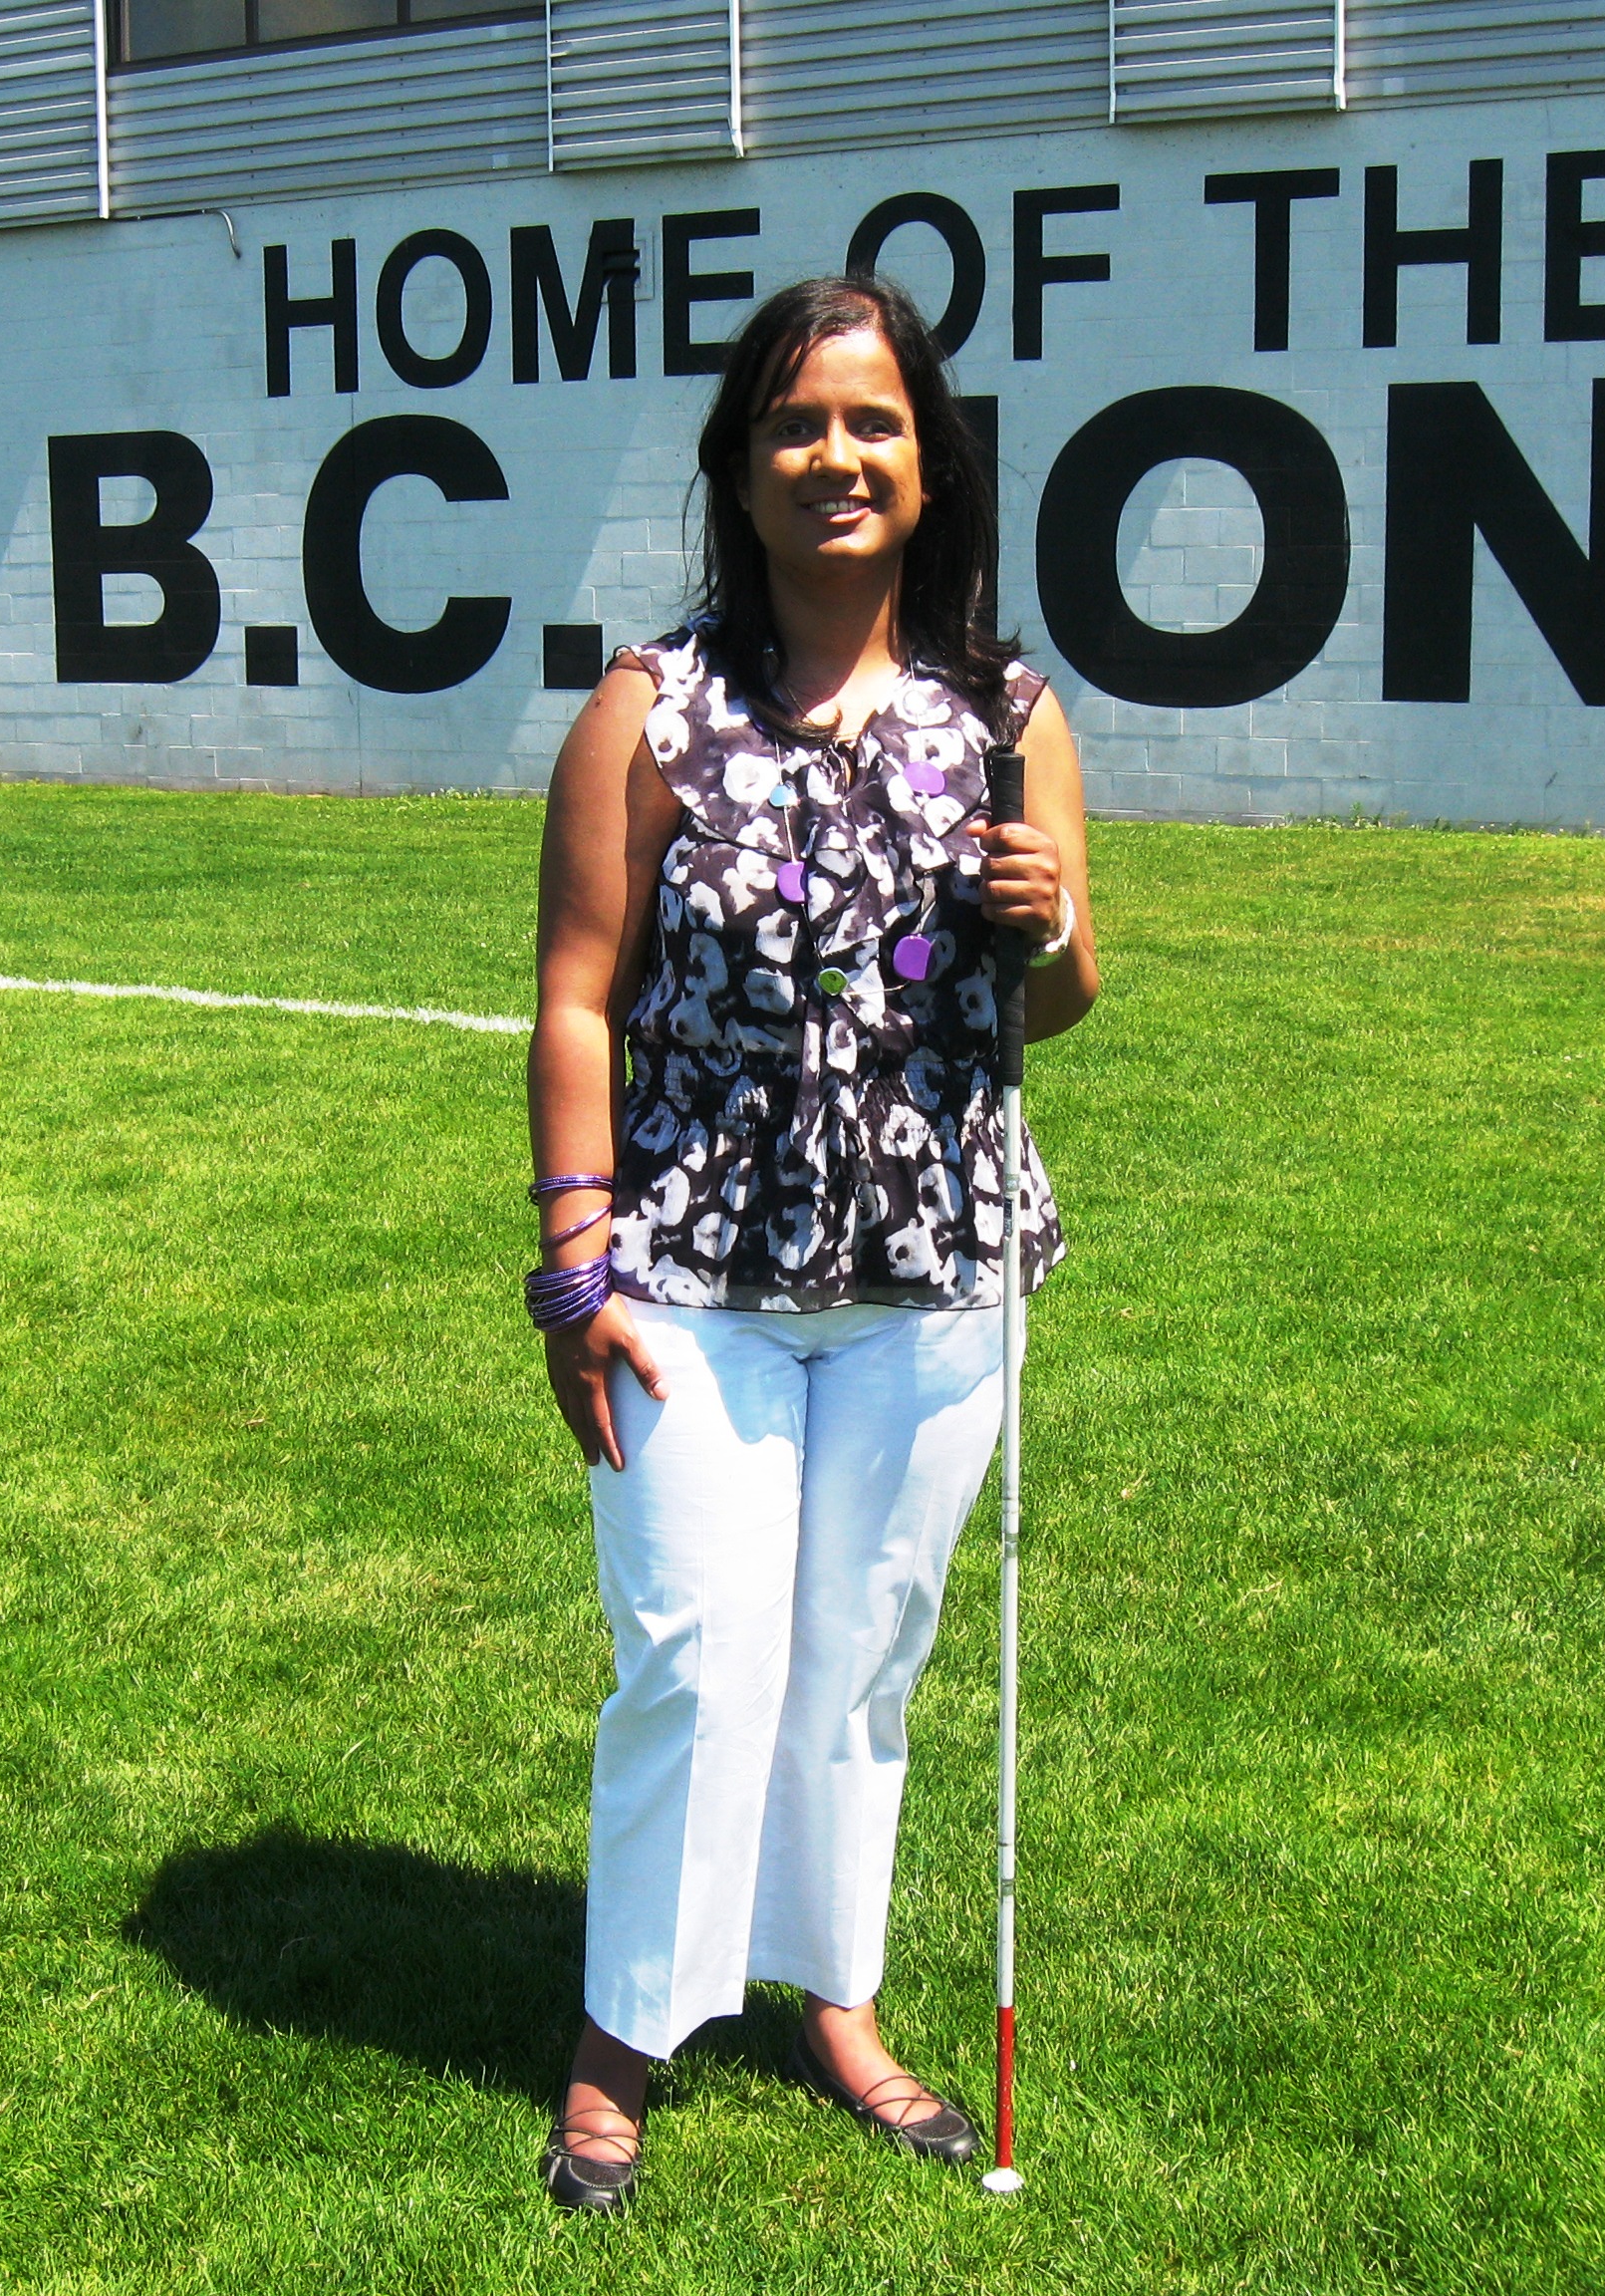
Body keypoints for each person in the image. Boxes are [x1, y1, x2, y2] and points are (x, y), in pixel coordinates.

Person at [522, 272, 1102, 2213]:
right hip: (695, 1284)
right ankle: (629, 2030)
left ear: (929, 470)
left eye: (874, 424)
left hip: (934, 1285)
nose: (835, 455)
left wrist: (1053, 923)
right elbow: (577, 1000)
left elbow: (1061, 1003)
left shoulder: (1010, 717)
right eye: (795, 424)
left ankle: (836, 2001)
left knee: (860, 1662)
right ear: (736, 469)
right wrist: (570, 1268)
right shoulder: (646, 711)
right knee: (695, 1652)